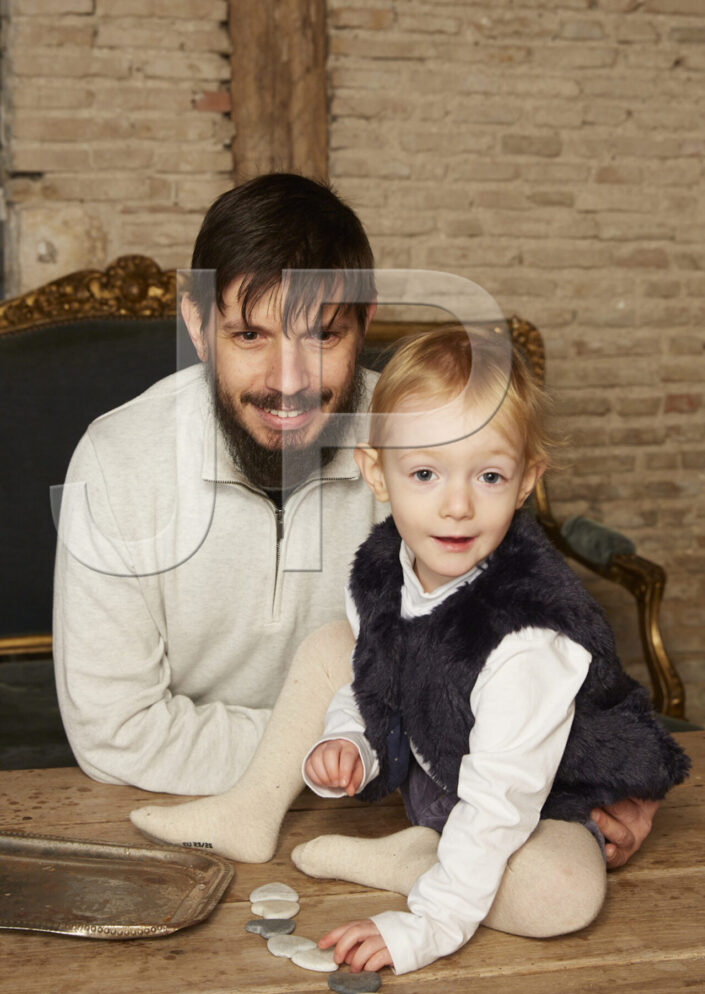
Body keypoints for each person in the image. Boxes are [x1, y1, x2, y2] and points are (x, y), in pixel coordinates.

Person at [53, 171, 658, 865]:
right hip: (291, 796)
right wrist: (344, 752)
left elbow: (532, 629)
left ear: (364, 322)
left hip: (408, 804)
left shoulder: (428, 441)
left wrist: (619, 768)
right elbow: (116, 732)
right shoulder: (115, 460)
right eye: (249, 334)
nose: (287, 381)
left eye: (322, 334)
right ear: (197, 325)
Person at [291, 326, 689, 975]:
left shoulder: (527, 637)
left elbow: (502, 802)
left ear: (526, 480)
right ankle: (411, 843)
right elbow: (375, 674)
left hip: (544, 798)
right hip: (444, 774)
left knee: (562, 893)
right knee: (329, 646)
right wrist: (351, 742)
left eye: (489, 476)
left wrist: (425, 926)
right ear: (377, 472)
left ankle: (413, 864)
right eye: (425, 473)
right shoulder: (383, 569)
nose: (457, 506)